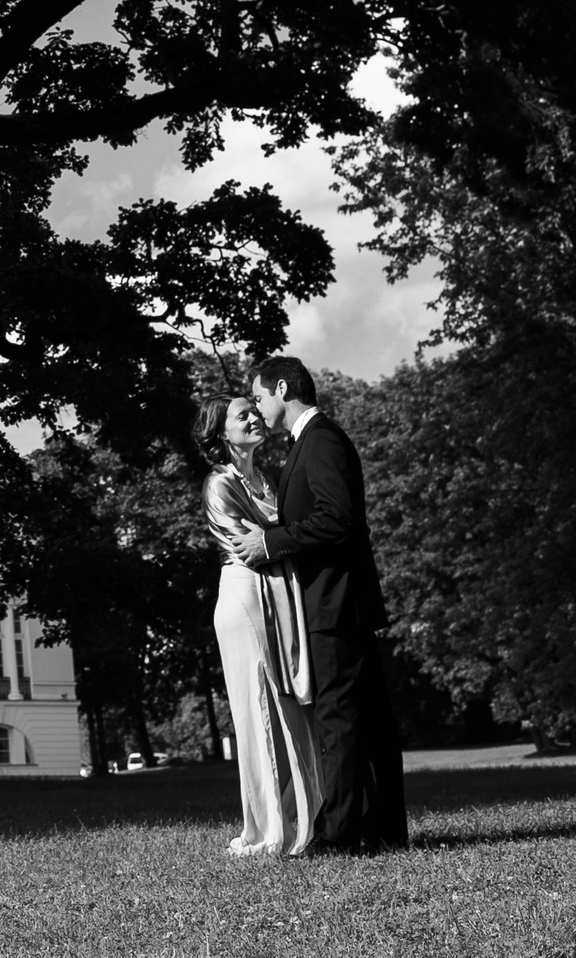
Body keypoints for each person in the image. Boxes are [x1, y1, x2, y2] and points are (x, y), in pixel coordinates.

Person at [223, 355, 409, 853]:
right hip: (337, 600)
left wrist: (272, 542)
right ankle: (383, 829)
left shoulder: (321, 440)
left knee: (340, 719)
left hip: (335, 601)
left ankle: (338, 836)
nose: (259, 409)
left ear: (283, 388)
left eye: (260, 397)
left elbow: (338, 518)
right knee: (367, 723)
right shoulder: (311, 442)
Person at [198, 392, 319, 857]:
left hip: (278, 590)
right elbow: (245, 546)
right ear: (220, 432)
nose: (253, 416)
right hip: (246, 595)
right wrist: (289, 540)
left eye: (254, 408)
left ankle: (301, 817)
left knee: (291, 706)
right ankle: (269, 831)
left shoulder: (268, 479)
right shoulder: (219, 484)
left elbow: (271, 539)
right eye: (240, 414)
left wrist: (280, 540)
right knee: (260, 712)